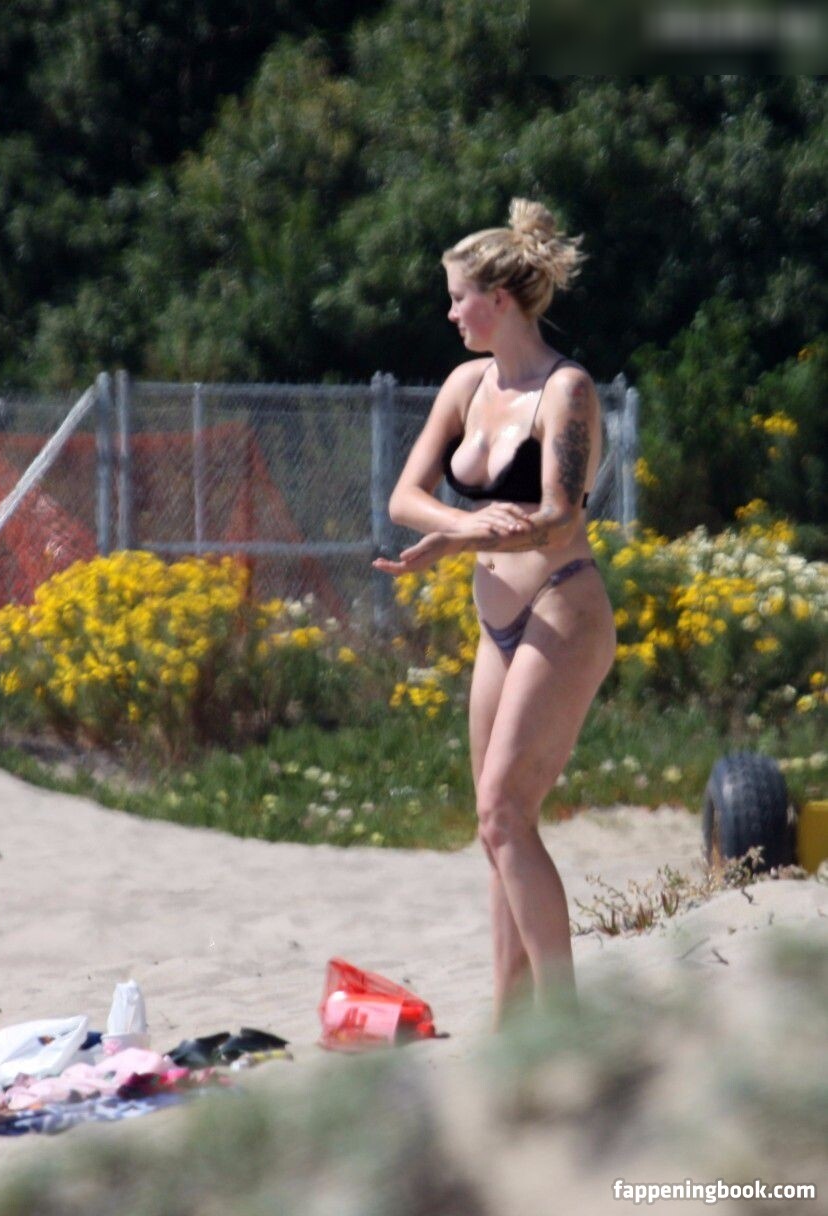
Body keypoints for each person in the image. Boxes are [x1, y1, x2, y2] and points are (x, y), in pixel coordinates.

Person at [373, 199, 615, 1024]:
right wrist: (460, 529)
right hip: (497, 627)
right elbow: (405, 497)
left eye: (458, 298)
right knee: (496, 828)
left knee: (504, 815)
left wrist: (461, 538)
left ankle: (564, 1027)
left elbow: (560, 517)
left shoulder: (565, 389)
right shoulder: (465, 386)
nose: (450, 314)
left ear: (499, 299)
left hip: (561, 608)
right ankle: (513, 1026)